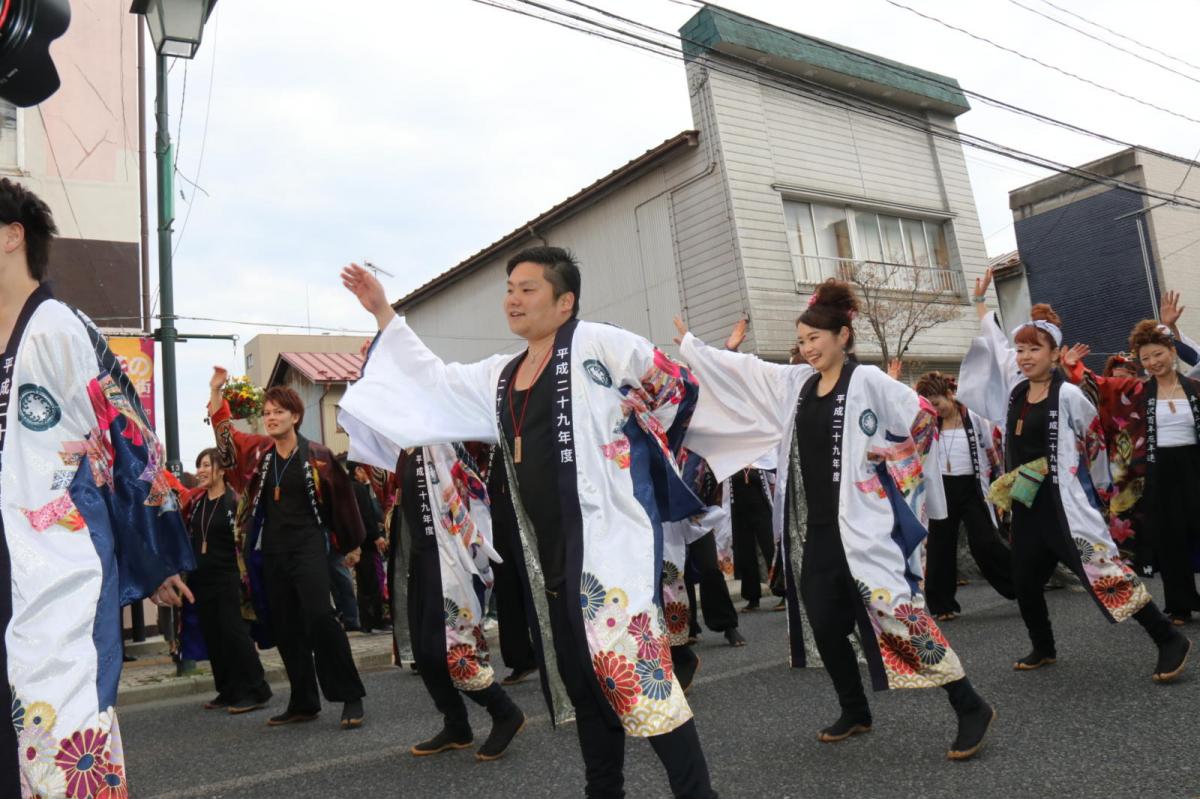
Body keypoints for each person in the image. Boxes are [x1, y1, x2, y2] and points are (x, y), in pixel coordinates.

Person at [340, 247, 717, 798]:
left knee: (634, 675)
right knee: (585, 684)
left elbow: (675, 388)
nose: (513, 299)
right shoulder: (502, 374)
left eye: (528, 288)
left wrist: (632, 451)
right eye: (510, 288)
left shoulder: (601, 344)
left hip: (611, 543)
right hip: (553, 552)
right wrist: (384, 315)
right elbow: (435, 381)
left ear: (565, 302)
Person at [676, 279, 995, 761]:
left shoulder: (867, 381)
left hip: (865, 525)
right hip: (818, 529)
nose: (806, 349)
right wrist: (695, 348)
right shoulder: (798, 384)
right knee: (824, 623)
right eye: (801, 341)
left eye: (814, 339)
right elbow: (748, 371)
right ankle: (855, 709)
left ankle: (969, 705)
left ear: (843, 336)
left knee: (898, 615)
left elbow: (923, 418)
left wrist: (883, 459)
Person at [0, 178, 194, 796]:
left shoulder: (58, 329)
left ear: (11, 236)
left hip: (54, 566)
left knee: (59, 725)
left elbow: (129, 440)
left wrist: (154, 553)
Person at [959, 269, 1190, 680]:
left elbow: (1094, 441)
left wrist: (1100, 491)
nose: (1025, 355)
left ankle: (1168, 638)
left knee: (1105, 573)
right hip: (1029, 502)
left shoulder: (1066, 394)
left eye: (1035, 348)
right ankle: (1042, 646)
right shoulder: (1014, 392)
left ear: (1054, 353)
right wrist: (981, 304)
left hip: (1065, 504)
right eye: (1021, 349)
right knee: (1025, 579)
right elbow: (993, 348)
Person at [207, 375, 368, 729]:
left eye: (279, 411)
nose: (271, 417)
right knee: (286, 625)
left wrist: (351, 545)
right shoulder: (260, 454)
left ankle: (350, 696)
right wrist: (216, 392)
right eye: (267, 412)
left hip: (309, 545)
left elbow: (343, 502)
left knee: (321, 618)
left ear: (295, 416)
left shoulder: (318, 457)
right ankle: (303, 701)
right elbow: (227, 440)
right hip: (272, 550)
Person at [1061, 319, 1200, 625]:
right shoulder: (1136, 389)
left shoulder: (1194, 388)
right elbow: (1100, 385)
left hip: (1194, 466)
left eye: (1158, 354)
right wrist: (1075, 368)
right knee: (1170, 536)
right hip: (1156, 470)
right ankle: (1180, 605)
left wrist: (1171, 325)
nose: (1153, 362)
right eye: (1146, 358)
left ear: (1170, 351)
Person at [396, 444, 526, 760]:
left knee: (453, 648)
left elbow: (470, 497)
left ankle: (504, 711)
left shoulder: (440, 442)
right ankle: (456, 725)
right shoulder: (405, 448)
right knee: (425, 653)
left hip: (447, 558)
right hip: (421, 557)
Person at [913, 372, 1015, 620]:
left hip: (972, 487)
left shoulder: (976, 419)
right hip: (941, 489)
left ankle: (1020, 584)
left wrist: (1001, 483)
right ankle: (942, 605)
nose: (935, 410)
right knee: (940, 546)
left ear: (950, 395)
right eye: (929, 406)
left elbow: (994, 452)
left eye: (937, 403)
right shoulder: (927, 423)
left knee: (985, 542)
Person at [180, 448, 272, 713]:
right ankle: (228, 689)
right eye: (199, 466)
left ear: (221, 469)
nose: (201, 471)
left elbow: (246, 539)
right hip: (201, 578)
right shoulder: (197, 502)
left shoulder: (234, 501)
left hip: (229, 576)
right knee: (213, 635)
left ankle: (257, 689)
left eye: (206, 465)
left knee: (235, 633)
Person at [484, 451, 538, 685]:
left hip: (527, 506)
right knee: (507, 588)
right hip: (496, 512)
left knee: (536, 586)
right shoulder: (485, 441)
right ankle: (521, 658)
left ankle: (554, 656)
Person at [348, 460, 389, 633]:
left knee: (362, 582)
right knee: (374, 581)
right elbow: (367, 515)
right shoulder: (358, 489)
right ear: (357, 471)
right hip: (367, 541)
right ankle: (377, 620)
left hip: (355, 541)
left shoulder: (347, 488)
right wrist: (376, 536)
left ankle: (366, 622)